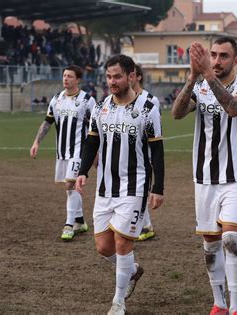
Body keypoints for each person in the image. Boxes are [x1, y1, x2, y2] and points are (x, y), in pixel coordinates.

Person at [75, 54, 164, 315]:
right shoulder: (101, 107)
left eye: (117, 76)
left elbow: (157, 150)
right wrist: (83, 172)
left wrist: (158, 188)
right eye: (109, 77)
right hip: (105, 188)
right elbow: (92, 141)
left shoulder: (147, 108)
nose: (112, 81)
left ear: (130, 76)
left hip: (134, 187)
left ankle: (118, 302)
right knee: (104, 248)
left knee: (123, 244)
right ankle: (132, 270)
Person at [171, 37, 237, 315]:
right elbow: (177, 113)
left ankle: (236, 306)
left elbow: (233, 108)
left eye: (223, 56)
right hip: (204, 178)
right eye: (213, 55)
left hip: (236, 177)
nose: (217, 61)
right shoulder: (201, 85)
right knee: (210, 244)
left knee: (232, 239)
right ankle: (219, 302)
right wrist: (193, 78)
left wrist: (206, 73)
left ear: (235, 60)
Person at [30, 65, 96, 241]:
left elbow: (96, 128)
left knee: (70, 185)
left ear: (78, 80)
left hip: (79, 151)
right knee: (70, 189)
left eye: (70, 76)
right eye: (64, 76)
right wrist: (37, 141)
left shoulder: (87, 100)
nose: (66, 79)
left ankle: (69, 225)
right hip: (62, 152)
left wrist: (96, 152)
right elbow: (47, 122)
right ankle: (80, 221)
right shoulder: (56, 99)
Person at [132, 64, 159, 241]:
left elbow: (156, 131)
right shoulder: (121, 99)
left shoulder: (151, 100)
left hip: (145, 154)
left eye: (131, 74)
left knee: (140, 189)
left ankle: (144, 226)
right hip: (128, 153)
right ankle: (145, 226)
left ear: (138, 77)